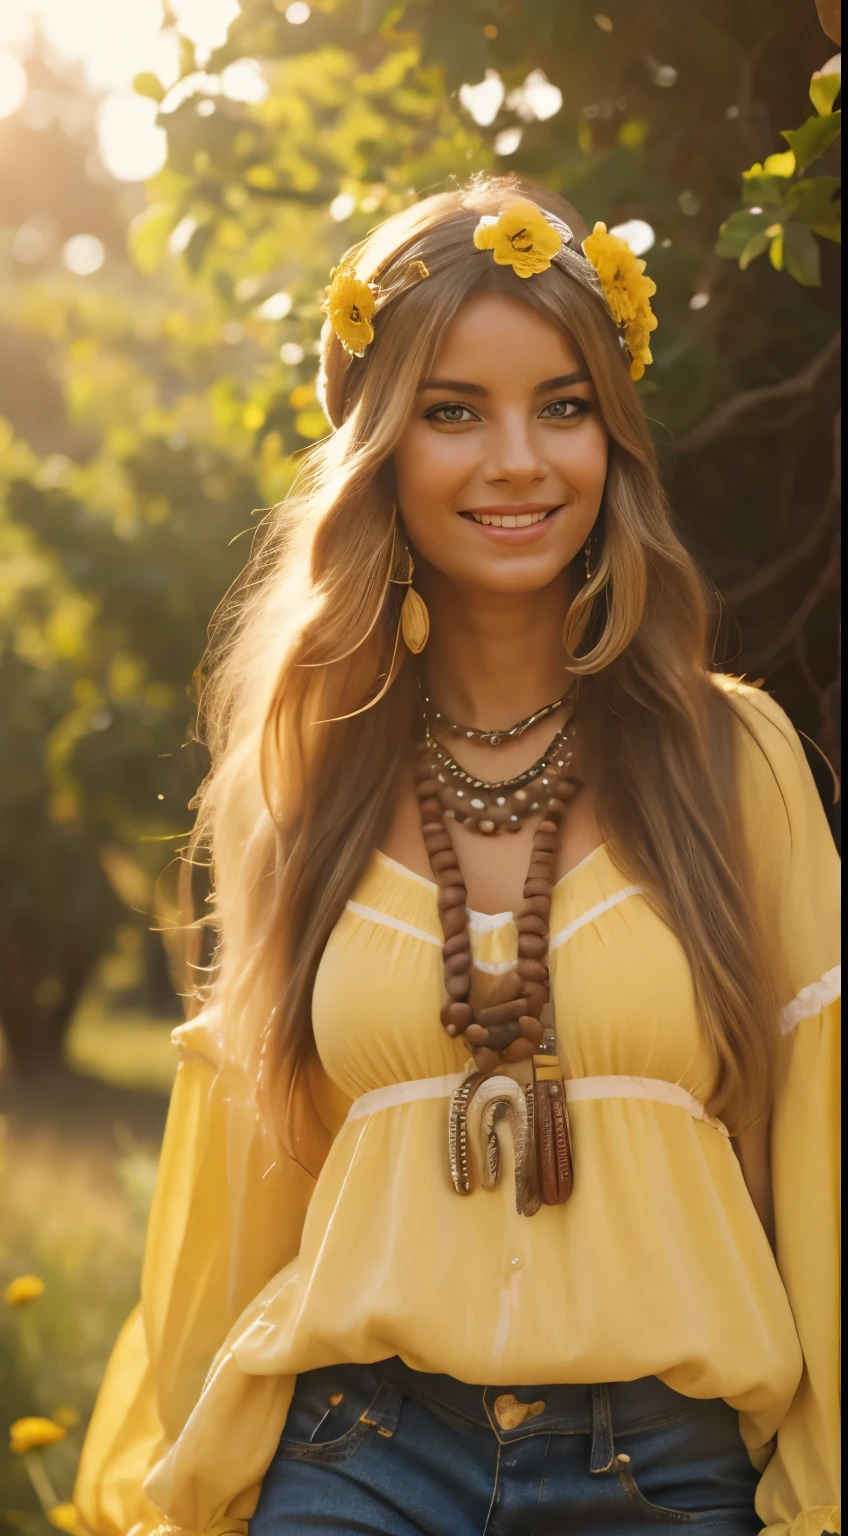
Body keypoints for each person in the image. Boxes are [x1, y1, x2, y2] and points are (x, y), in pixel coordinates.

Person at [75, 177, 840, 1536]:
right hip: (354, 1456)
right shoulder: (296, 784)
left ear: (614, 434)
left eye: (563, 404)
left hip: (661, 1473)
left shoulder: (737, 760)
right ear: (382, 448)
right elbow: (236, 1204)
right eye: (451, 411)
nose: (518, 461)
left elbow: (821, 1152)